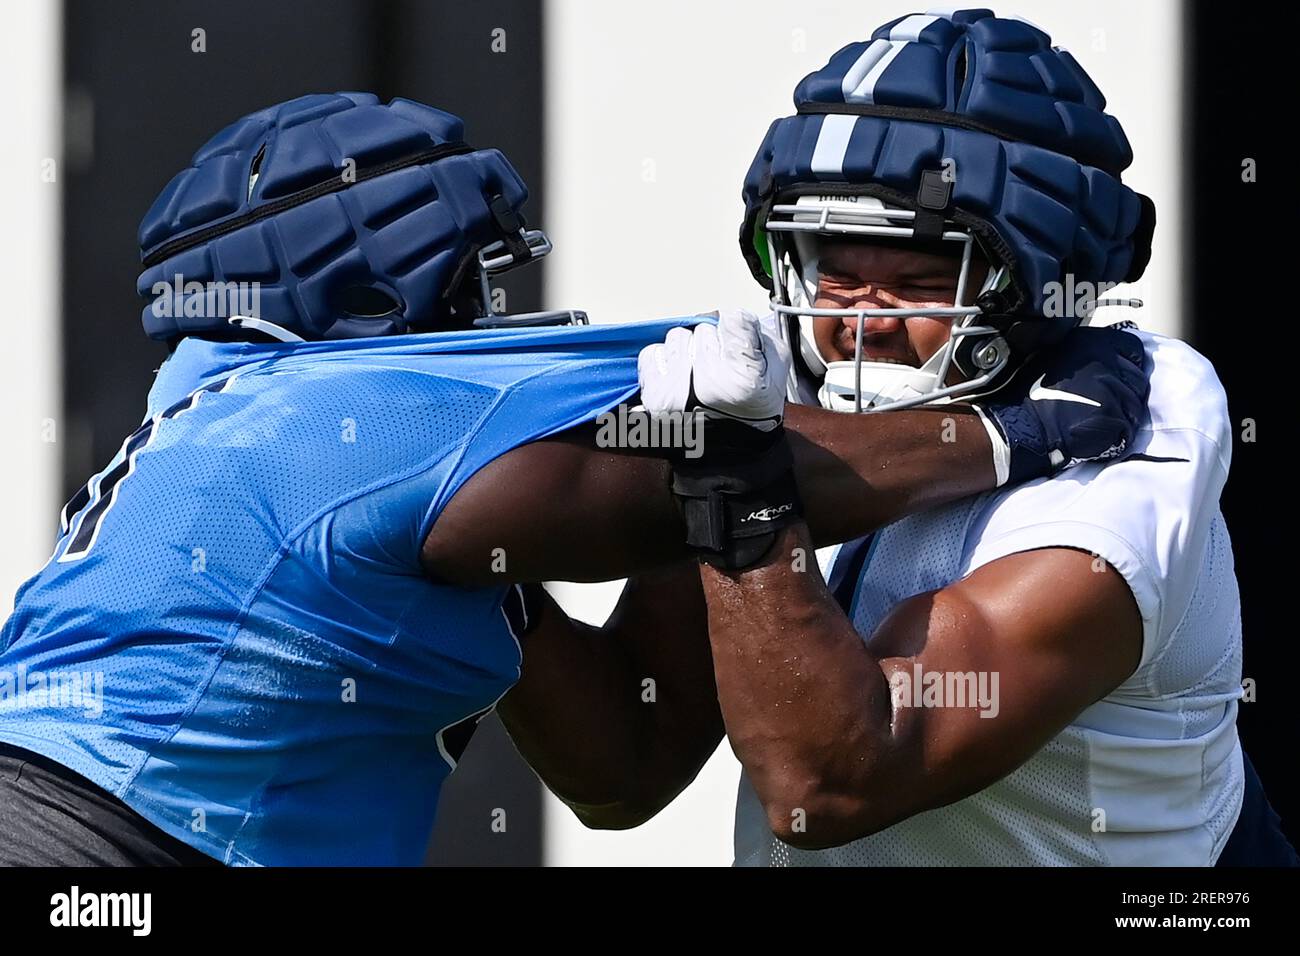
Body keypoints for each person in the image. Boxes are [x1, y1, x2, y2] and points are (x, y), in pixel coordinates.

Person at [0, 91, 1146, 866]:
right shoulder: (351, 418)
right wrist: (1014, 431)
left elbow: (618, 763)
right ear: (367, 289)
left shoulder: (223, 422)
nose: (498, 314)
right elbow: (698, 478)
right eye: (474, 277)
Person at [509, 8, 1292, 866]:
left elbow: (830, 780)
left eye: (919, 279)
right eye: (835, 272)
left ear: (1037, 284)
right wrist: (477, 551)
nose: (861, 325)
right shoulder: (775, 389)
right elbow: (626, 765)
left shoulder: (1137, 446)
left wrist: (742, 497)